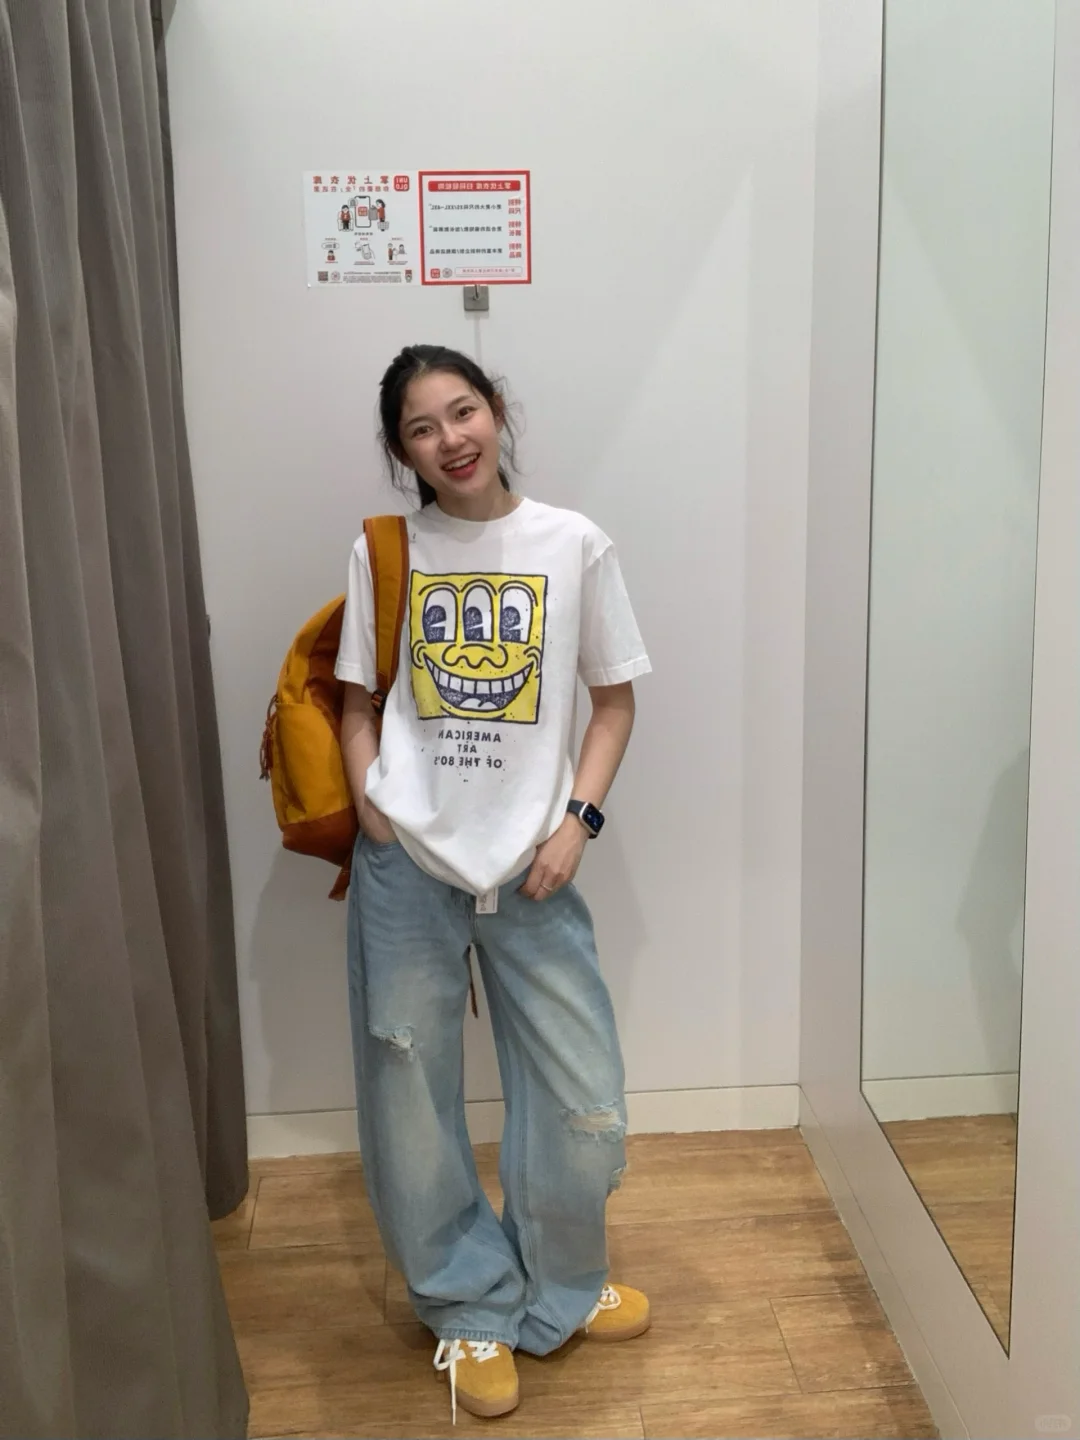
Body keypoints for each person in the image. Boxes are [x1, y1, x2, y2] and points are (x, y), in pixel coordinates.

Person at [335, 344, 652, 1421]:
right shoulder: (386, 551)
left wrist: (579, 822)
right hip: (407, 867)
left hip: (534, 866)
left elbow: (614, 702)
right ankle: (469, 1304)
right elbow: (356, 701)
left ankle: (562, 1279)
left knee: (580, 1094)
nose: (449, 440)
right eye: (420, 428)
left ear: (498, 410)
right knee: (410, 1096)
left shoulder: (573, 544)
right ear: (402, 451)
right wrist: (372, 805)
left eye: (462, 411)